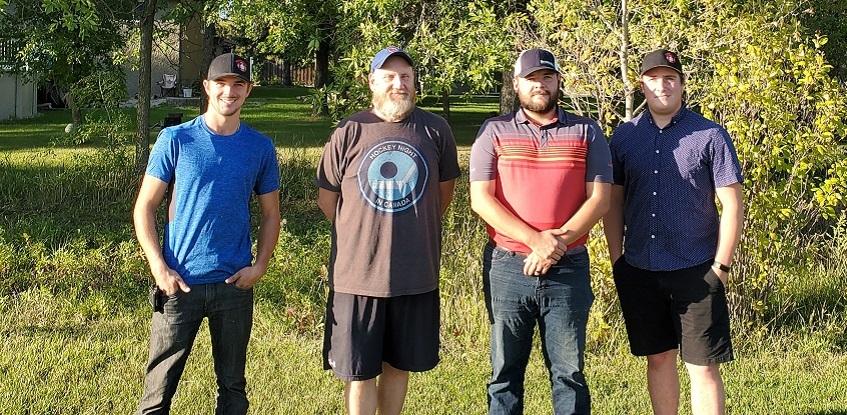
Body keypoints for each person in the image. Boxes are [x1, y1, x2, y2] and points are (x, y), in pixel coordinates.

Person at [133, 52, 281, 415]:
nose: (229, 92)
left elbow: (271, 214)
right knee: (158, 391)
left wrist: (260, 266)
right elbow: (144, 208)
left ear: (247, 91)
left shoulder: (259, 147)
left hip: (233, 285)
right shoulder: (176, 139)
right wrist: (158, 267)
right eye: (222, 84)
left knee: (232, 387)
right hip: (179, 283)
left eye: (238, 85)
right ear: (207, 87)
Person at [315, 46, 460, 415]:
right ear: (373, 81)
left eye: (406, 77)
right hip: (357, 277)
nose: (400, 84)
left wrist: (407, 226)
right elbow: (327, 199)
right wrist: (361, 231)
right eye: (390, 77)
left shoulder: (435, 129)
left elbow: (442, 195)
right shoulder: (349, 131)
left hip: (414, 275)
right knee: (359, 372)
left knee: (399, 365)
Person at [469, 48, 612, 415]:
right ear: (516, 84)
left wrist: (555, 245)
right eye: (531, 79)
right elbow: (481, 200)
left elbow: (599, 200)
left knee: (569, 373)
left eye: (547, 77)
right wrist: (537, 241)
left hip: (568, 267)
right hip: (507, 267)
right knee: (504, 372)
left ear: (558, 81)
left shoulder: (586, 131)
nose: (540, 85)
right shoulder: (494, 131)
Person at [603, 48, 744, 415]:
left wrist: (721, 268)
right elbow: (613, 202)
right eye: (654, 78)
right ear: (642, 84)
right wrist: (618, 259)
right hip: (640, 269)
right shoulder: (624, 137)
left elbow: (732, 205)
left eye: (670, 78)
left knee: (703, 367)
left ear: (682, 84)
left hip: (697, 269)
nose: (662, 85)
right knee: (659, 360)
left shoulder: (710, 135)